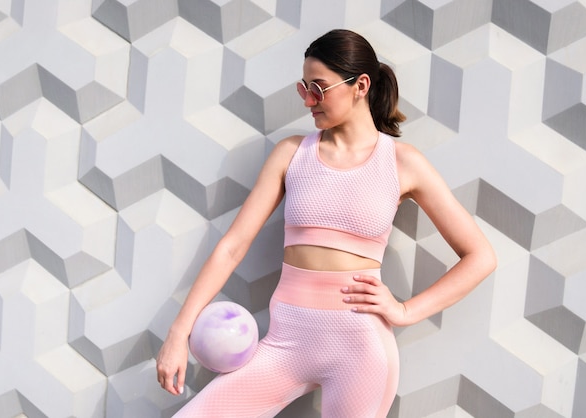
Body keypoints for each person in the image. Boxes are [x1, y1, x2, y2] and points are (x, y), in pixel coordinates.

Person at [156, 29, 497, 417]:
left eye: (318, 89)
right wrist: (178, 332)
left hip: (360, 351)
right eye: (304, 88)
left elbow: (480, 256)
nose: (308, 101)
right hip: (285, 344)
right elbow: (232, 246)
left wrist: (405, 311)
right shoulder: (291, 154)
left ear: (360, 86)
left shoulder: (403, 162)